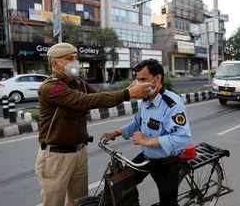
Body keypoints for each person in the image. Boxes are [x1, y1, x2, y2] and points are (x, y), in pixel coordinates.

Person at [35, 43, 154, 206]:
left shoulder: (78, 83)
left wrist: (129, 89)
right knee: (53, 203)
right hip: (56, 156)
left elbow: (99, 98)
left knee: (79, 202)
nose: (74, 62)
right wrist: (127, 93)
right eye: (69, 59)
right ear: (55, 64)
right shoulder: (51, 88)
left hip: (79, 152)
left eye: (76, 58)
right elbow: (84, 101)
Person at [101, 59, 192, 206]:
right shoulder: (146, 100)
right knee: (122, 184)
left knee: (168, 202)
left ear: (157, 79)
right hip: (147, 156)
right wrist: (117, 132)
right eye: (137, 79)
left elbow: (182, 138)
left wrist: (145, 141)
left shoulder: (172, 103)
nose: (138, 84)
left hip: (167, 162)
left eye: (143, 79)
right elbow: (137, 122)